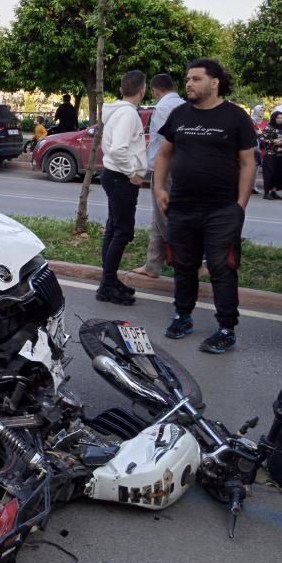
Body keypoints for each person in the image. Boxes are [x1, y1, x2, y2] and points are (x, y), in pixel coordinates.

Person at [154, 58, 256, 354]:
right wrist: (160, 187)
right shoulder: (179, 114)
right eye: (187, 79)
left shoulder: (235, 117)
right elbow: (164, 155)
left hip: (222, 209)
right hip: (182, 206)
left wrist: (240, 205)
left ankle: (226, 329)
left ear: (214, 82)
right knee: (184, 266)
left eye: (196, 79)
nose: (189, 84)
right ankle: (182, 317)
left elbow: (249, 163)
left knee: (223, 268)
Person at [97, 71, 148, 305]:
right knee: (122, 232)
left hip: (114, 176)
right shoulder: (127, 114)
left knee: (114, 229)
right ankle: (107, 286)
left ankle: (109, 280)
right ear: (142, 90)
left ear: (121, 89)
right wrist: (133, 174)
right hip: (121, 178)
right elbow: (119, 149)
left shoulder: (118, 112)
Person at [132, 73, 184, 278]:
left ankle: (190, 261)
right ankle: (152, 265)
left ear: (154, 91)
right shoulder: (182, 105)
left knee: (164, 217)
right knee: (158, 217)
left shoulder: (163, 108)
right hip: (175, 167)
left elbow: (167, 141)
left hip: (165, 169)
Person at [261, 111, 282, 199]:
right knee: (269, 174)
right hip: (271, 154)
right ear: (274, 118)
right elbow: (263, 139)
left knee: (279, 174)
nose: (280, 120)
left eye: (281, 118)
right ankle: (266, 192)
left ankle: (274, 192)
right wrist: (273, 141)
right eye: (278, 118)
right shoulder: (268, 127)